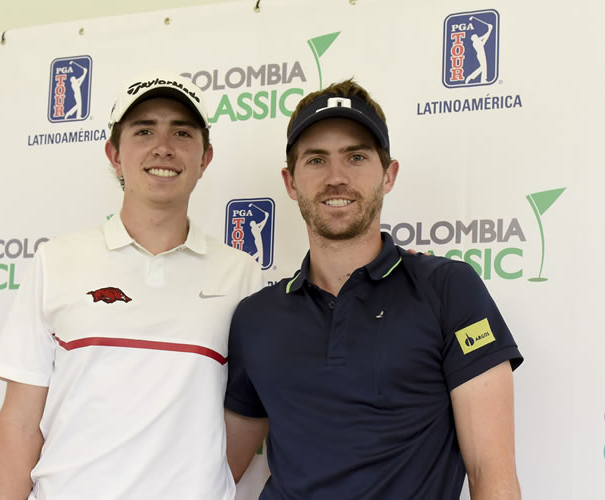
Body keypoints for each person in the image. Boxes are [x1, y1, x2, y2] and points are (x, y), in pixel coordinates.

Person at [224, 79, 523, 499]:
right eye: (316, 160)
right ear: (290, 183)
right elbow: (220, 470)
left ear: (388, 175)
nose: (336, 177)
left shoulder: (449, 290)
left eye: (356, 157)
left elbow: (491, 473)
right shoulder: (255, 317)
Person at [0, 72, 262, 500]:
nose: (162, 146)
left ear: (205, 158)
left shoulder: (240, 274)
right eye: (144, 130)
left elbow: (245, 419)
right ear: (114, 154)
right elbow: (19, 421)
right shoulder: (57, 260)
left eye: (182, 132)